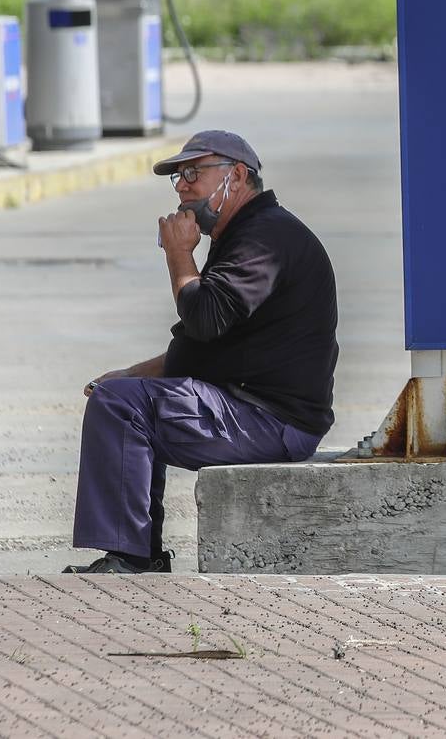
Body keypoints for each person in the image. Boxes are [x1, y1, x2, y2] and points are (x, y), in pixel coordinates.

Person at [63, 129, 339, 574]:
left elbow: (204, 316)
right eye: (177, 176)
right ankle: (137, 551)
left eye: (194, 172)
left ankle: (133, 557)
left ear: (238, 176)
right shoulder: (242, 236)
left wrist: (178, 255)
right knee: (121, 396)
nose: (182, 185)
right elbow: (197, 346)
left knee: (123, 408)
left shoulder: (265, 237)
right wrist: (130, 374)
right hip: (252, 409)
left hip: (272, 420)